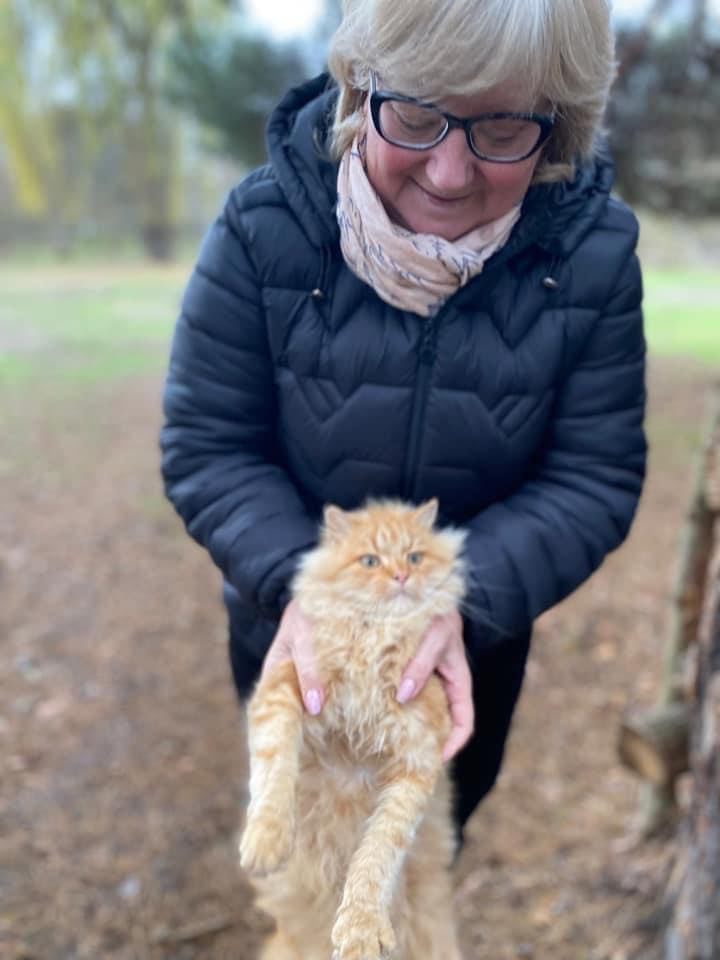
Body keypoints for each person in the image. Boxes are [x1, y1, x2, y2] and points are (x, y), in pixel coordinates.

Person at [160, 0, 646, 842]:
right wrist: (307, 589)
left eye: (501, 130)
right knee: (311, 852)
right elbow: (210, 445)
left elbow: (592, 477)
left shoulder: (593, 257)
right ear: (361, 89)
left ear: (558, 126)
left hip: (471, 648)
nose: (449, 173)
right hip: (290, 629)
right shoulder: (261, 225)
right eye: (417, 117)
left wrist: (455, 599)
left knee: (426, 850)